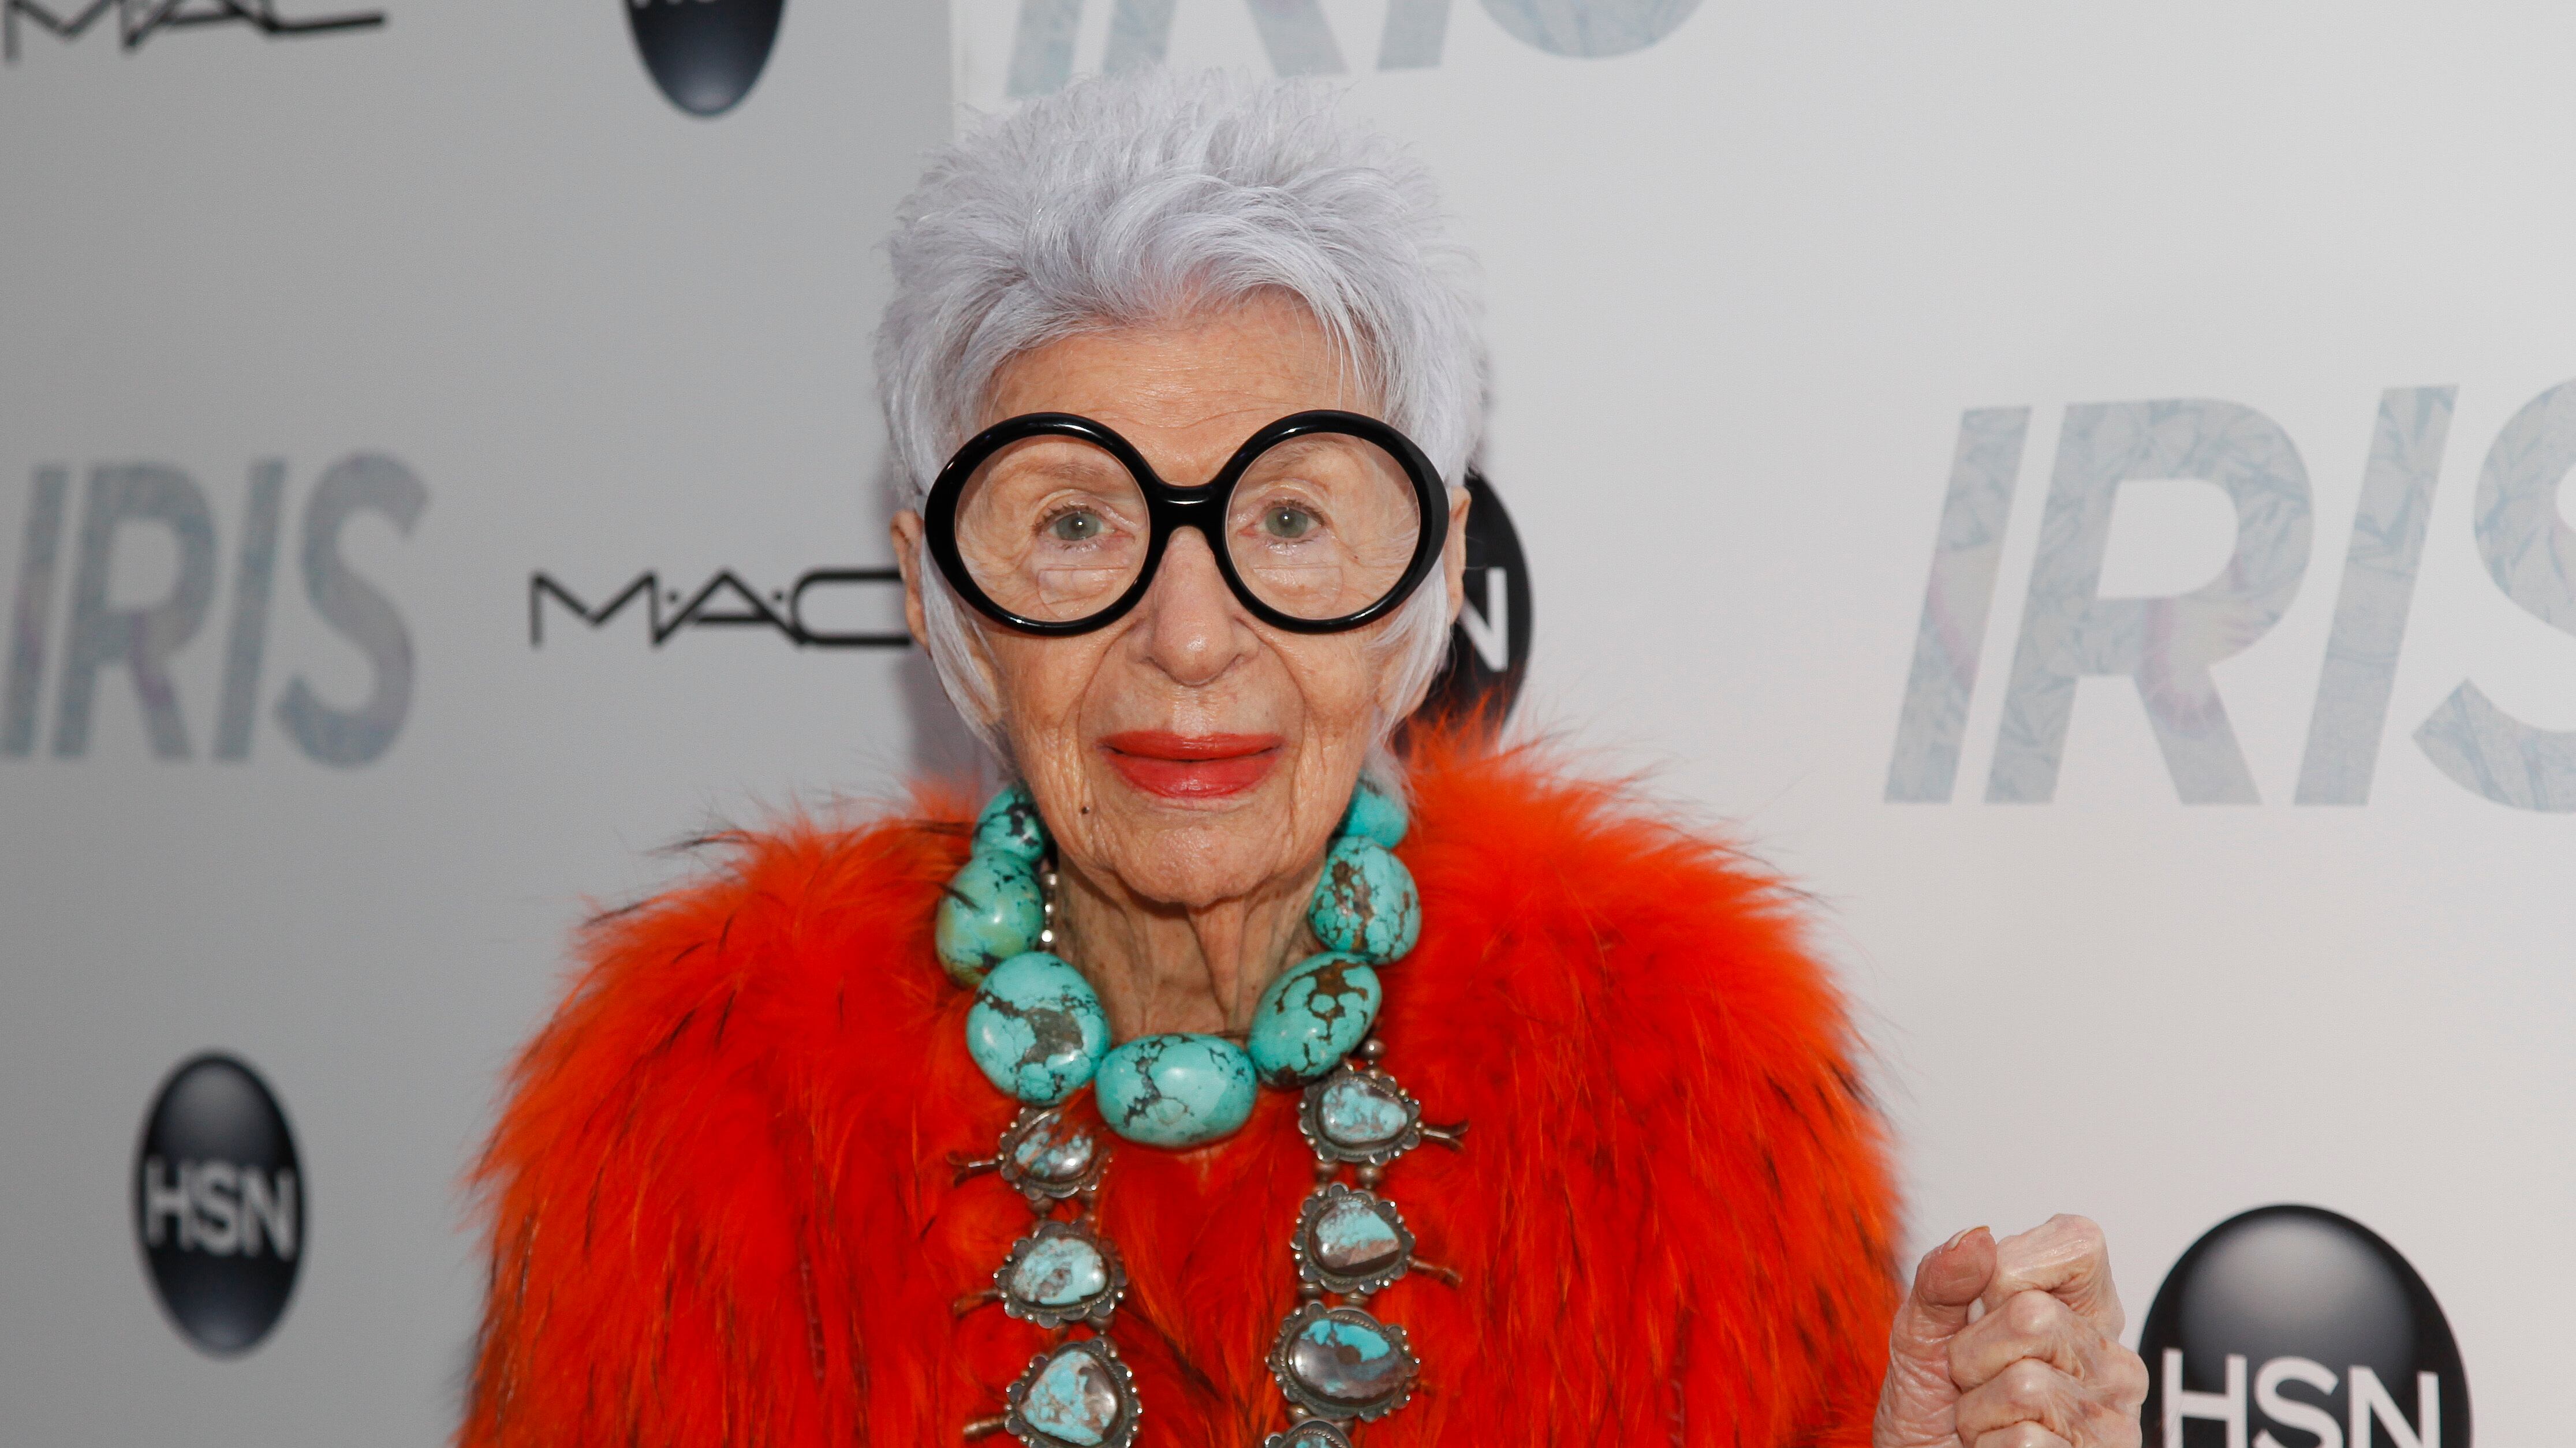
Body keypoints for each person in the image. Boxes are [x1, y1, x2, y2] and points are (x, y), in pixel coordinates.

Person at [461, 70, 2146, 1448]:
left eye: (1286, 518)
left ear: (1432, 575)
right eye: (1075, 522)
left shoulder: (1669, 1074)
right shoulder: (708, 1116)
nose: (1191, 637)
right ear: (937, 594)